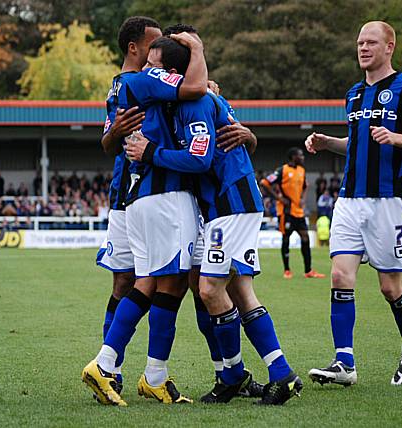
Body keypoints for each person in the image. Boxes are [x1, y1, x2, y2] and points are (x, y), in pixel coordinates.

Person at [125, 36, 302, 406]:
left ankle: (238, 374)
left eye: (152, 66)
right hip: (219, 207)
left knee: (208, 290)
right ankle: (272, 372)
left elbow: (201, 160)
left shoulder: (198, 102)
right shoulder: (191, 99)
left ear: (172, 74)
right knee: (237, 291)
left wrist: (150, 151)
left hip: (231, 204)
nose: (144, 72)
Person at [82, 16, 208, 407]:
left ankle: (151, 375)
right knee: (145, 283)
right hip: (151, 193)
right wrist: (198, 51)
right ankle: (108, 366)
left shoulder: (127, 86)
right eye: (155, 45)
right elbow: (194, 87)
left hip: (140, 194)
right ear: (136, 48)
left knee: (164, 282)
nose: (160, 52)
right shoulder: (146, 80)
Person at [304, 21, 402, 386]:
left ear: (389, 46)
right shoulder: (352, 94)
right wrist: (327, 142)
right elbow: (359, 142)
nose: (363, 47)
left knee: (389, 288)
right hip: (349, 199)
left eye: (371, 42)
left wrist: (395, 137)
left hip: (388, 199)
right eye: (360, 41)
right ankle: (344, 363)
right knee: (339, 275)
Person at [261, 147, 325, 279]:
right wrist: (279, 198)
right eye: (300, 155)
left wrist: (303, 198)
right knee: (286, 238)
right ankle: (287, 270)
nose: (303, 157)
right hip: (286, 211)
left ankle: (308, 270)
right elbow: (265, 182)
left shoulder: (302, 170)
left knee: (305, 238)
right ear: (293, 157)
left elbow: (305, 186)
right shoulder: (282, 170)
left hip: (299, 211)